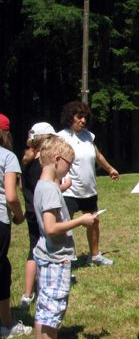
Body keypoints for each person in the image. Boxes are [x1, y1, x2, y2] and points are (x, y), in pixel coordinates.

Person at [32, 136, 96, 339]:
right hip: (55, 257)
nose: (69, 168)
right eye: (69, 164)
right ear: (57, 160)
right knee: (53, 309)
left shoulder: (43, 185)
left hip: (46, 254)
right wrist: (80, 220)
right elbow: (50, 227)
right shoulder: (49, 189)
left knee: (44, 306)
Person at [58, 101, 119, 266]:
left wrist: (110, 168)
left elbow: (97, 154)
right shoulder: (61, 137)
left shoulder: (88, 135)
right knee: (64, 226)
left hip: (89, 190)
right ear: (70, 117)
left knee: (94, 222)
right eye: (79, 117)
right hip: (69, 191)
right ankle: (63, 260)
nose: (83, 121)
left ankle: (95, 256)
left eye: (85, 117)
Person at [20, 123, 71, 308]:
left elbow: (22, 187)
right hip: (43, 211)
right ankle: (42, 286)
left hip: (31, 209)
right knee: (40, 248)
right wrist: (64, 186)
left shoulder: (27, 159)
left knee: (33, 248)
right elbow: (48, 187)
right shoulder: (41, 164)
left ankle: (28, 294)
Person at [0, 114, 28, 339]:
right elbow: (11, 195)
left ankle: (7, 323)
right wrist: (19, 215)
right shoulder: (7, 156)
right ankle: (6, 326)